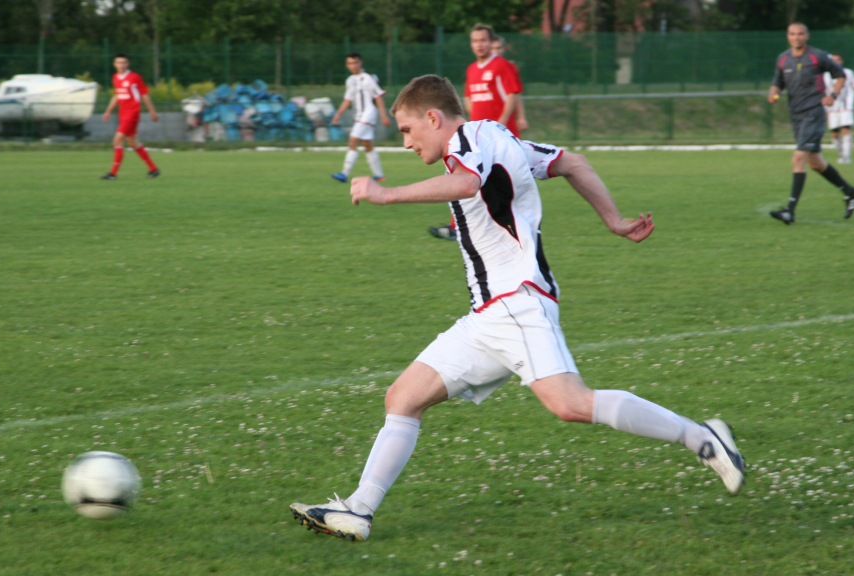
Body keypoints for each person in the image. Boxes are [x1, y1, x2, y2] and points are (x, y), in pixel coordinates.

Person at [290, 75, 746, 542]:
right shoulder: (496, 137)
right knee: (403, 398)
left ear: (433, 118)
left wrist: (387, 194)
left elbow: (466, 183)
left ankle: (702, 438)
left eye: (407, 130)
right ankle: (359, 510)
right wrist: (612, 220)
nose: (405, 142)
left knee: (570, 403)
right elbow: (572, 162)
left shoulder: (468, 139)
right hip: (489, 314)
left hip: (516, 302)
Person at [428, 24, 524, 242]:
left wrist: (500, 123)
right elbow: (469, 98)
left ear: (491, 42)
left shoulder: (502, 65)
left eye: (483, 40)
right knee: (464, 177)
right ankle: (457, 227)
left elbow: (512, 94)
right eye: (475, 41)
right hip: (479, 137)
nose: (479, 44)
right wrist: (471, 125)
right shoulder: (472, 69)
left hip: (500, 137)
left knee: (504, 185)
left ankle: (500, 228)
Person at [767, 24, 854, 224]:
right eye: (793, 34)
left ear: (807, 36)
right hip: (796, 114)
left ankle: (789, 211)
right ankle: (851, 192)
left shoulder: (817, 56)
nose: (797, 37)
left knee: (798, 158)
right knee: (816, 163)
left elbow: (840, 75)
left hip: (814, 112)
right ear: (788, 36)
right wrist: (773, 93)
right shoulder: (783, 58)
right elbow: (777, 82)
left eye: (800, 34)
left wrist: (833, 95)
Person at [330, 53, 392, 183]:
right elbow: (347, 99)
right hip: (359, 116)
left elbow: (378, 97)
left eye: (355, 62)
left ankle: (344, 174)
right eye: (350, 63)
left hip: (368, 114)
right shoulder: (350, 80)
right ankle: (379, 175)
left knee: (353, 140)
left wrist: (383, 115)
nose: (353, 66)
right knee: (367, 145)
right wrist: (338, 114)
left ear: (360, 63)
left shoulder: (368, 77)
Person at [101, 54, 160, 180]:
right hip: (122, 114)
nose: (121, 65)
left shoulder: (134, 77)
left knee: (117, 139)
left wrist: (152, 112)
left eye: (124, 62)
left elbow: (144, 95)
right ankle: (153, 169)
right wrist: (108, 111)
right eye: (119, 62)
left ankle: (113, 174)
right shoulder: (115, 77)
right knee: (133, 143)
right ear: (114, 64)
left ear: (128, 64)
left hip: (132, 114)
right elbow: (117, 95)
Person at [823, 53, 854, 165]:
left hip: (847, 106)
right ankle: (841, 153)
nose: (835, 62)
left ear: (841, 61)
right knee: (835, 134)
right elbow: (825, 93)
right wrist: (825, 108)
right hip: (832, 108)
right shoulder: (826, 75)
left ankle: (847, 156)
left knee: (846, 130)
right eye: (833, 60)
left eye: (837, 60)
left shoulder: (848, 73)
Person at [492, 35, 528, 133]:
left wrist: (521, 117)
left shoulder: (509, 67)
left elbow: (516, 94)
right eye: (492, 48)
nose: (495, 52)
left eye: (498, 48)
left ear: (503, 49)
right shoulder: (478, 68)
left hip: (505, 119)